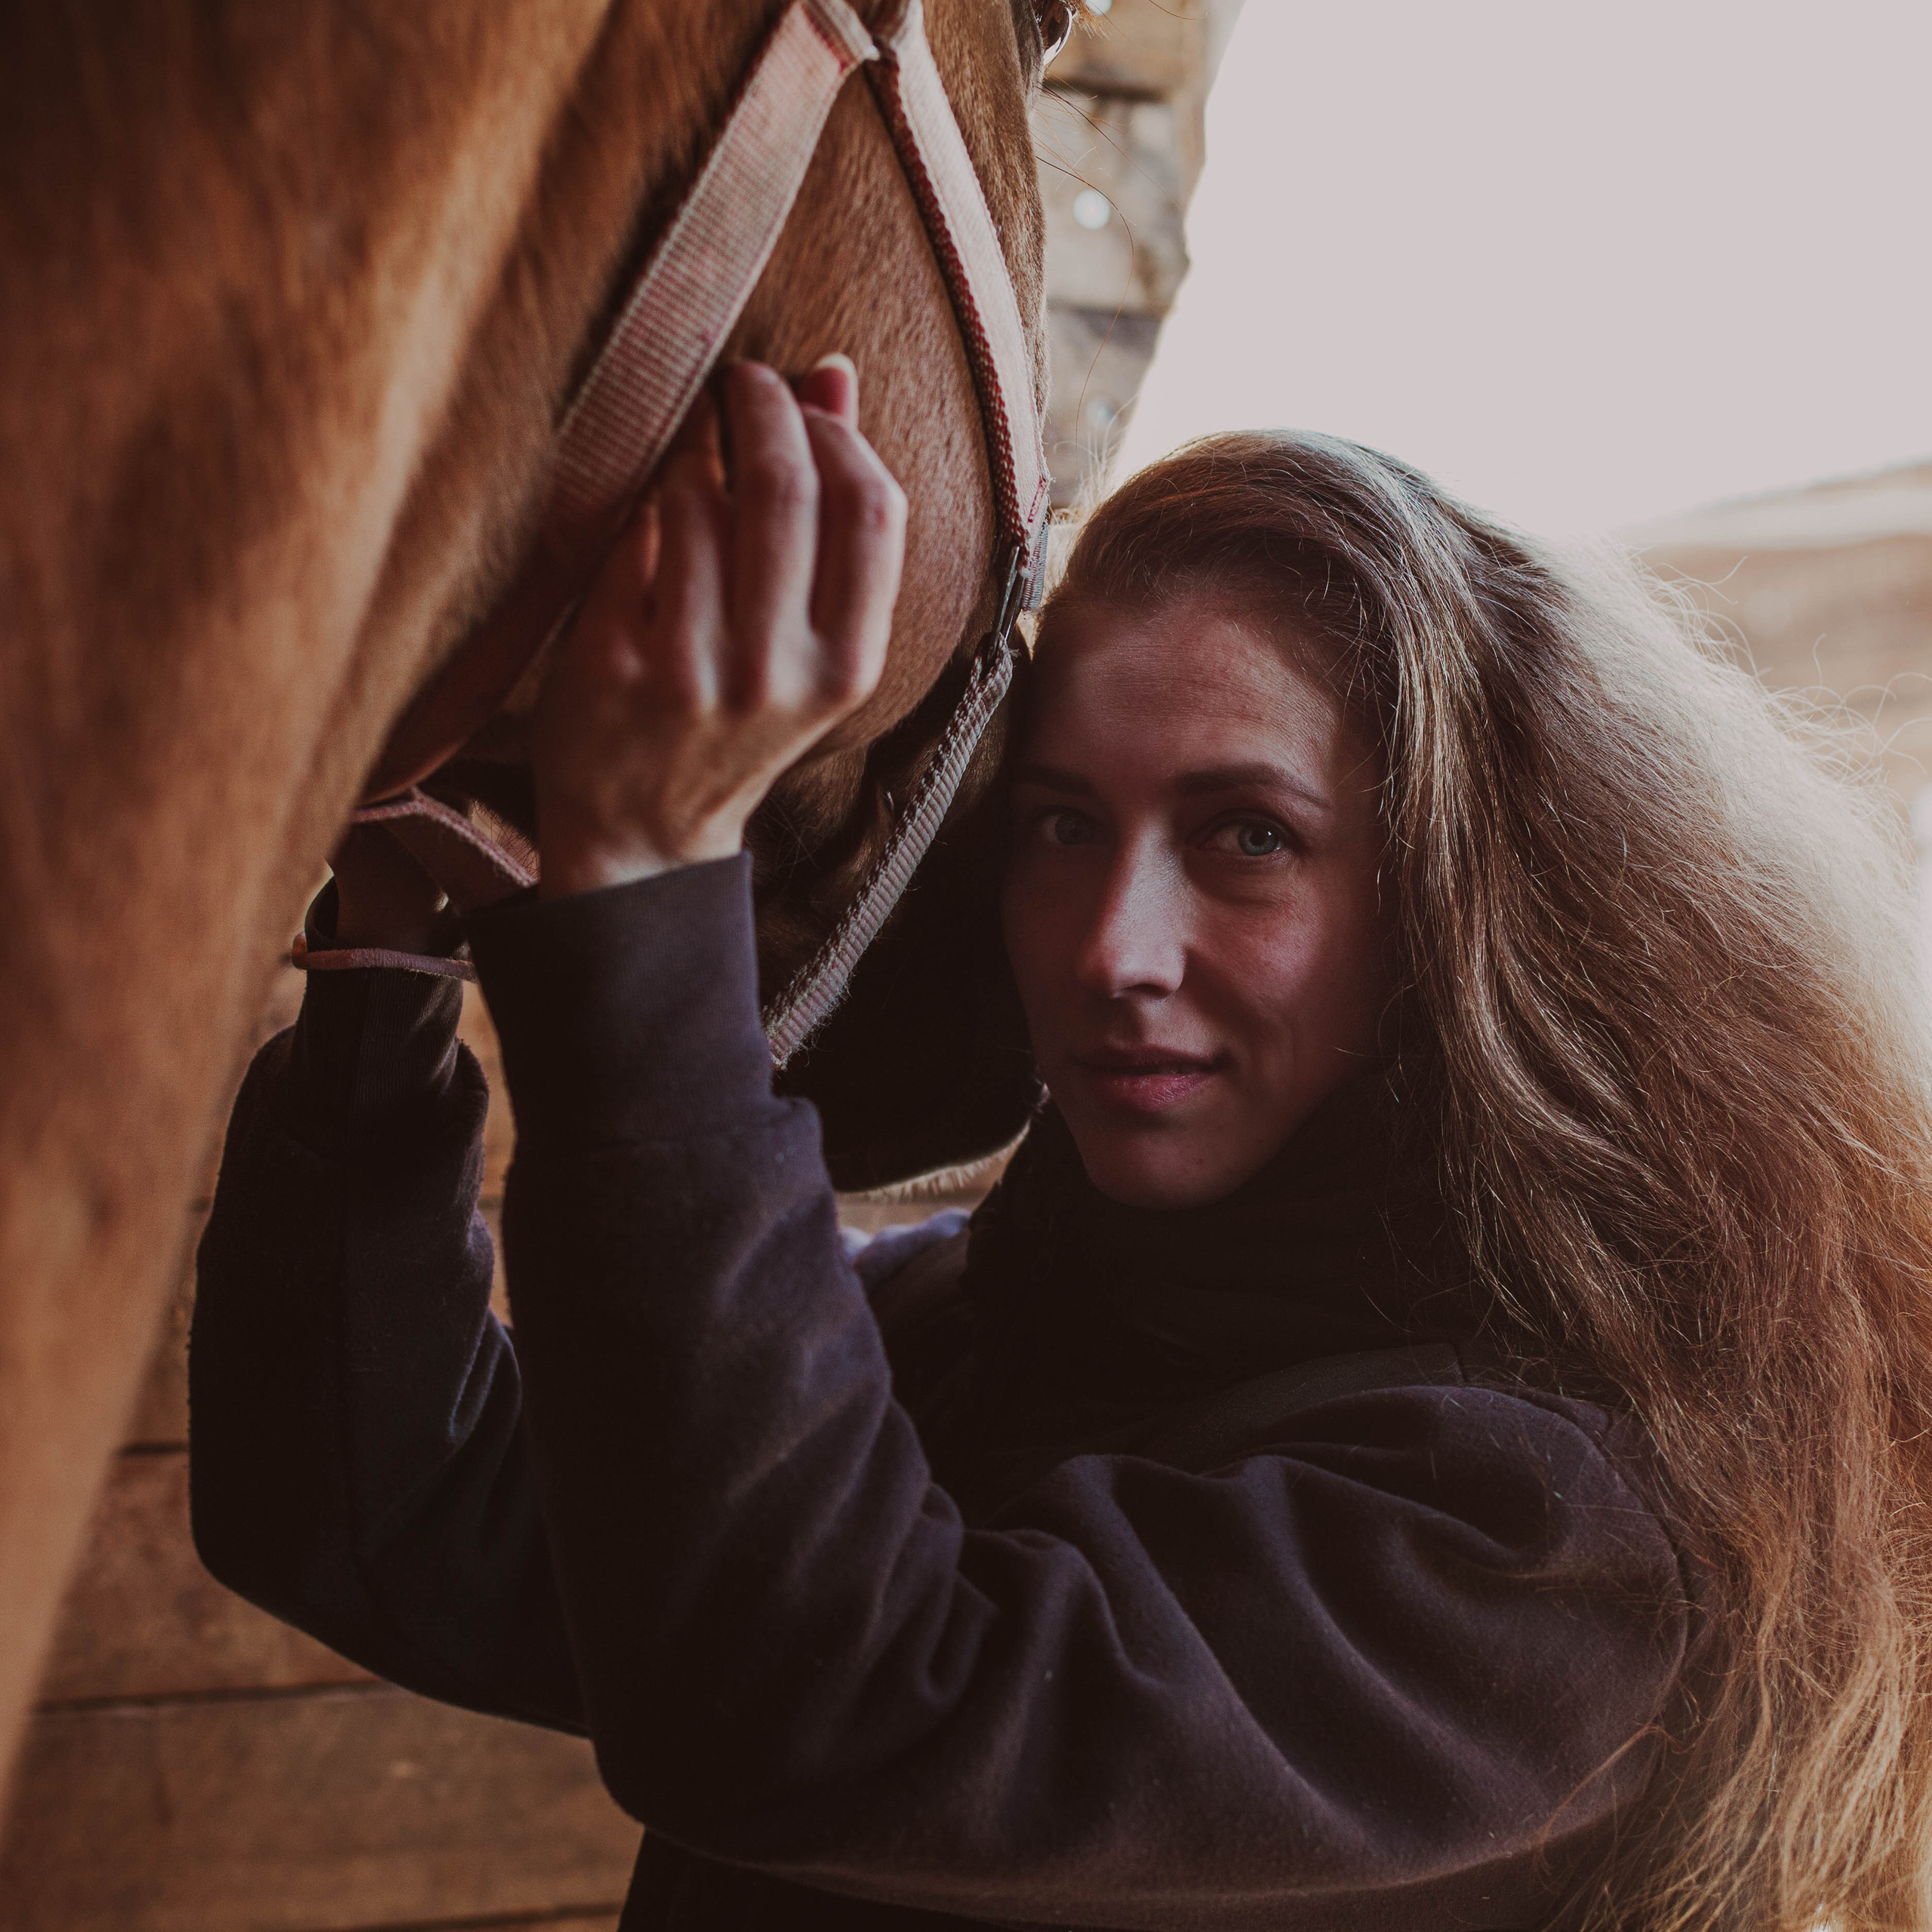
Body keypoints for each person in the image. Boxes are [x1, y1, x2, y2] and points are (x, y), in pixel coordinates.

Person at [189, 359, 1932, 1931]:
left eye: (1245, 834)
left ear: (1457, 913)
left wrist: (648, 880)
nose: (1111, 946)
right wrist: (389, 948)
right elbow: (389, 1515)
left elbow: (837, 1703)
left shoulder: (1564, 1539)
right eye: (1058, 824)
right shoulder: (1003, 1312)